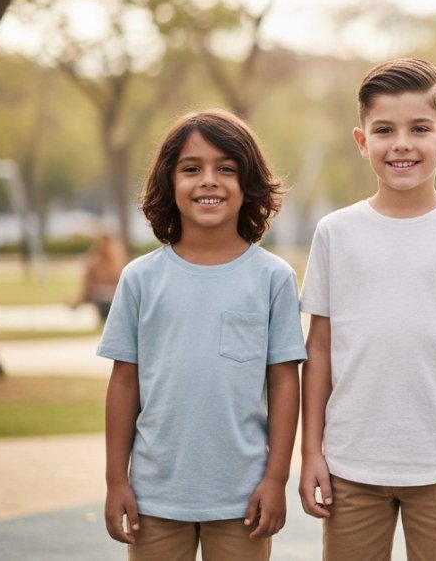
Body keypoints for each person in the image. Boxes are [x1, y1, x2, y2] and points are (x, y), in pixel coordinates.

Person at [297, 58, 436, 560]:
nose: (401, 143)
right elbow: (320, 348)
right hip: (351, 462)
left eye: (419, 128)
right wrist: (311, 452)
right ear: (361, 141)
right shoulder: (335, 232)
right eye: (384, 130)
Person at [98, 109, 306, 560]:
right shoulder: (140, 279)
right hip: (155, 496)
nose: (208, 180)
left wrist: (276, 478)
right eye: (191, 169)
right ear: (168, 185)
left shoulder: (273, 278)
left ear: (247, 185)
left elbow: (285, 381)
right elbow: (124, 382)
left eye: (226, 169)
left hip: (243, 497)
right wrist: (117, 479)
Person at [74, 231, 127, 322]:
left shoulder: (118, 263)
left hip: (111, 299)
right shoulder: (95, 263)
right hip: (105, 299)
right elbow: (88, 287)